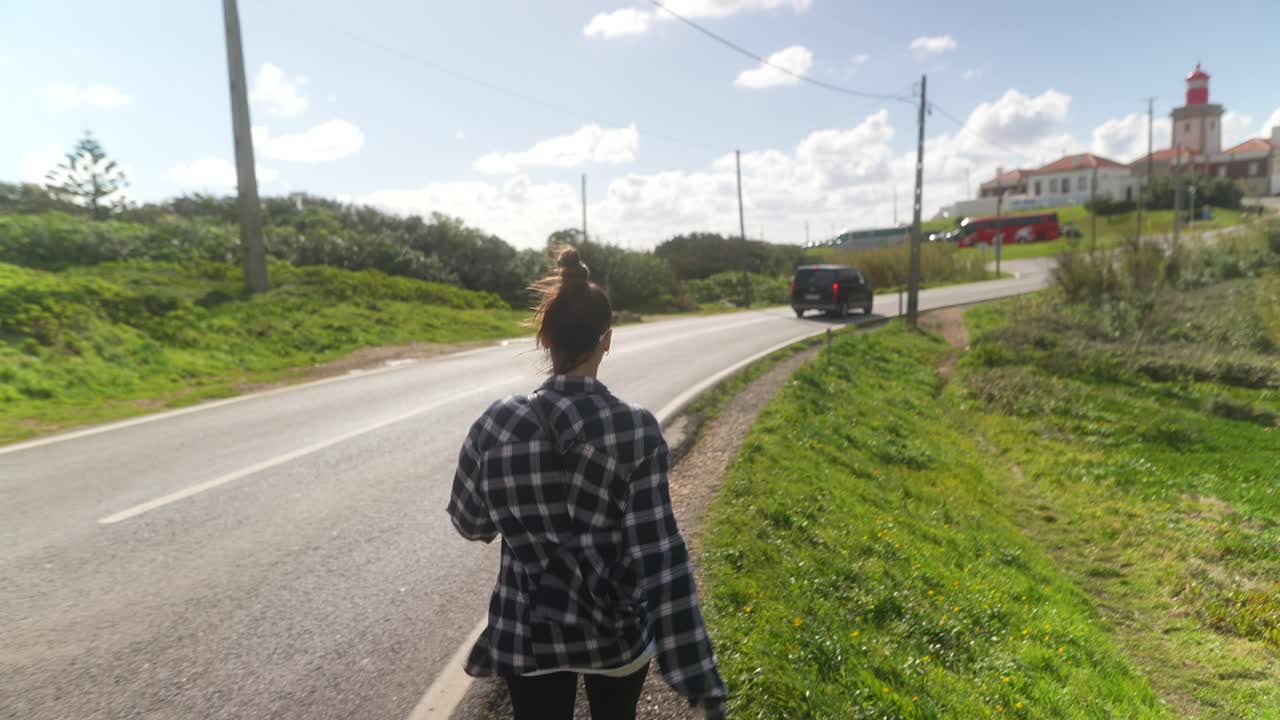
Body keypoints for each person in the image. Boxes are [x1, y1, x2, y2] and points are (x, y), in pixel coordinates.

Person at [447, 246, 728, 720]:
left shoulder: (496, 424)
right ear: (607, 341)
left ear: (545, 339)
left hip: (528, 632)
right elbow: (660, 556)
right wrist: (697, 676)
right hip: (614, 635)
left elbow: (470, 523)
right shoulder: (635, 429)